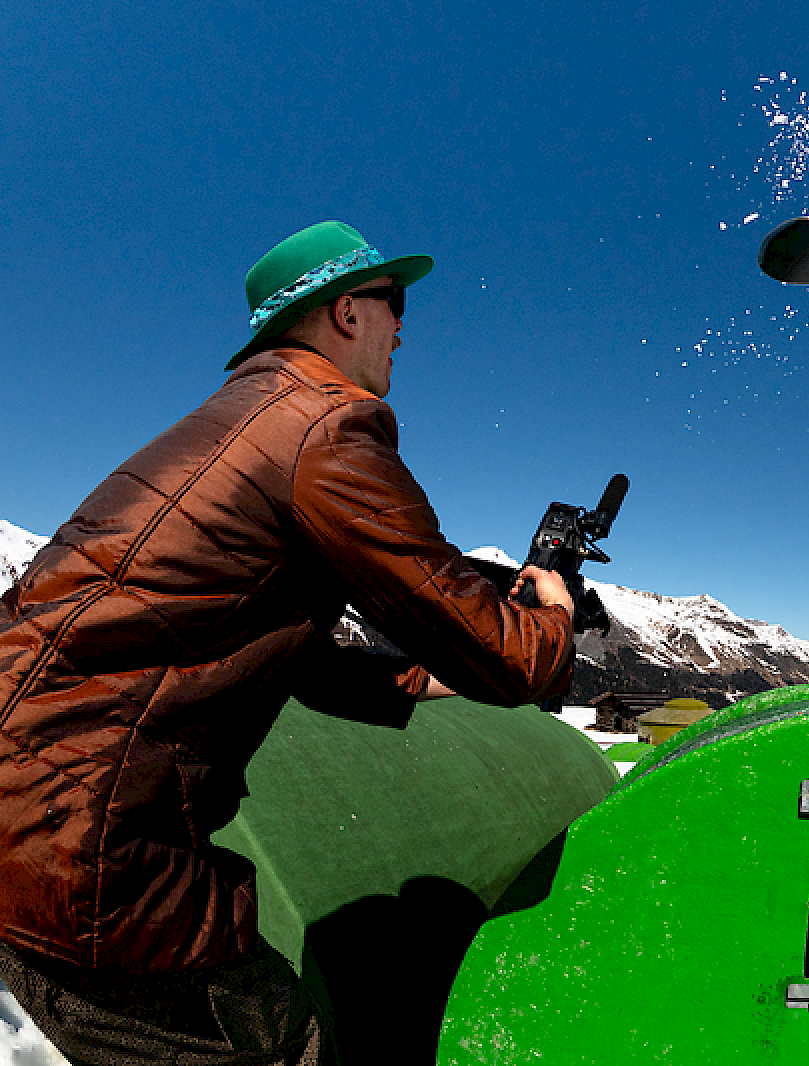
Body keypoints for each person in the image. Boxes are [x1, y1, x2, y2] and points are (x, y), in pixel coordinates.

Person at [0, 221, 576, 1064]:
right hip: (86, 850)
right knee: (277, 1047)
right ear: (346, 311)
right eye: (393, 302)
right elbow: (509, 654)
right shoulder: (325, 427)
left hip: (32, 823)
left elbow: (287, 651)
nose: (403, 326)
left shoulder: (236, 426)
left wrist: (423, 680)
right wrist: (550, 616)